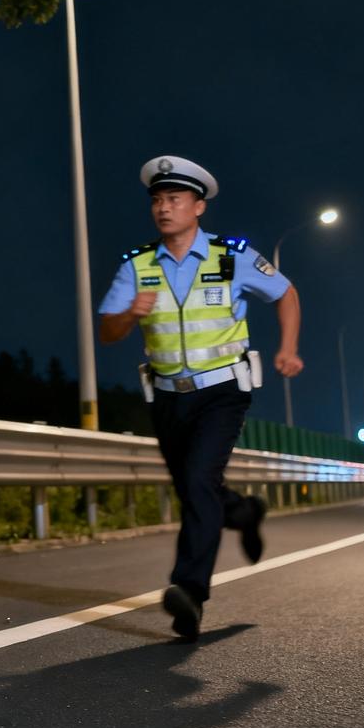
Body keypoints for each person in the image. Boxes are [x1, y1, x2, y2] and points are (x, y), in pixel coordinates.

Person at [98, 155, 303, 643]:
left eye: (174, 200)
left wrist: (288, 348)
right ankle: (245, 512)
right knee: (196, 491)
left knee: (198, 479)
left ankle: (189, 591)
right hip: (168, 397)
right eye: (157, 201)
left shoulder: (231, 257)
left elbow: (286, 292)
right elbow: (108, 331)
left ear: (198, 206)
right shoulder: (138, 265)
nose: (163, 209)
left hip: (224, 392)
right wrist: (130, 312)